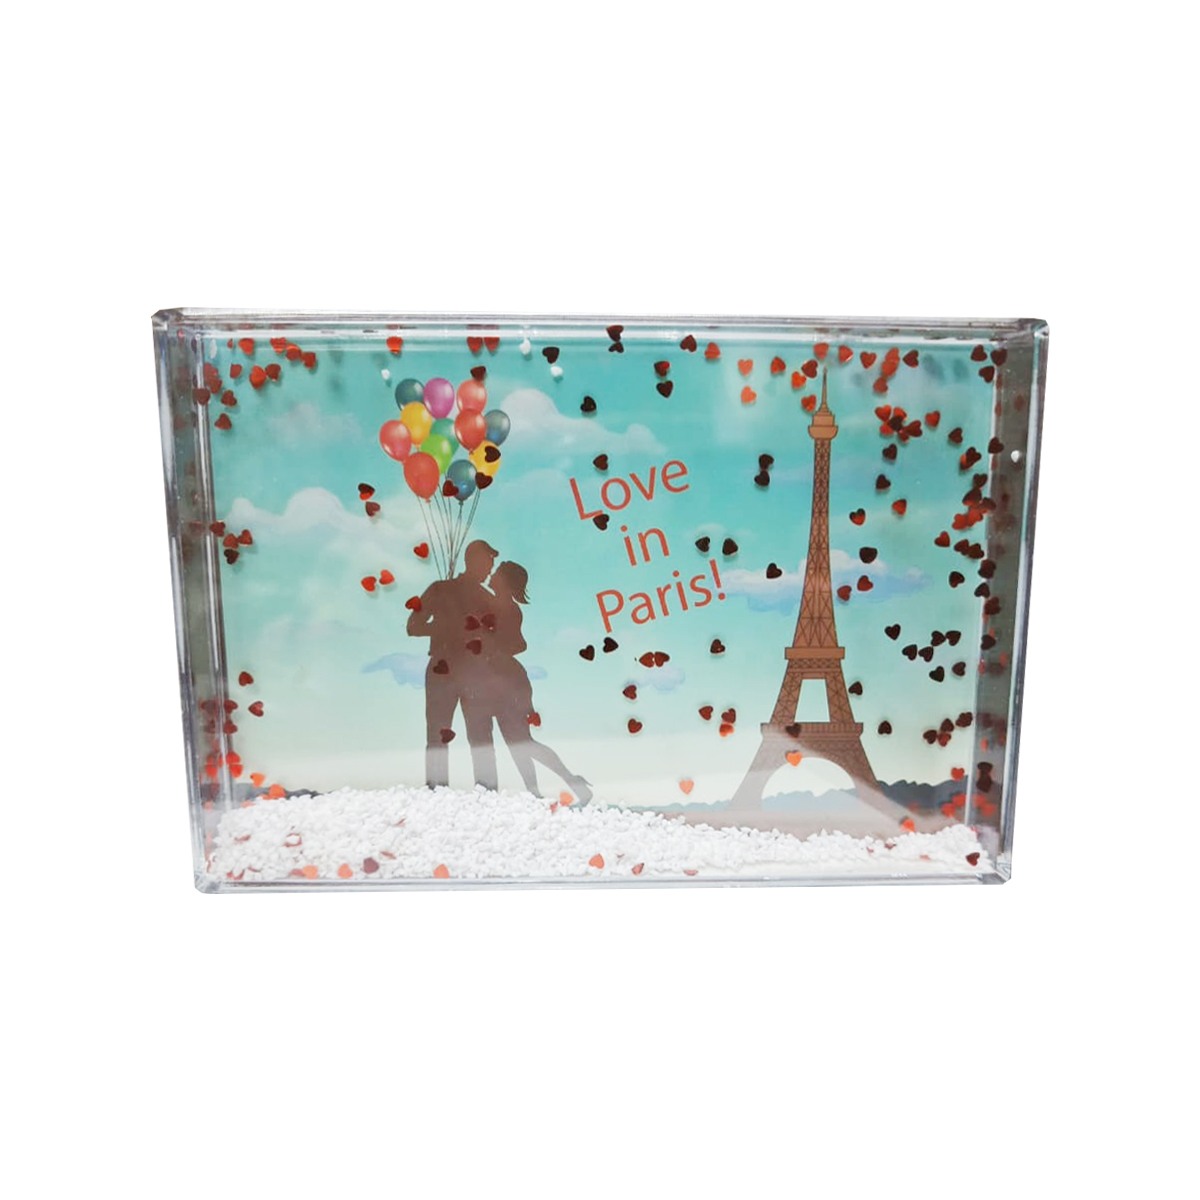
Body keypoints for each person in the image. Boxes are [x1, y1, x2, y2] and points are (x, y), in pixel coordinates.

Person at [465, 560, 592, 804]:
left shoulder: (503, 608)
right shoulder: (500, 606)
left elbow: (516, 644)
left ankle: (540, 790)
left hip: (503, 680)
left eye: (497, 573)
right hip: (502, 678)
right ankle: (550, 787)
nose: (492, 575)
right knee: (520, 742)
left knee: (519, 743)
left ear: (506, 581)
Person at [406, 539, 499, 790]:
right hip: (450, 670)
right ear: (475, 561)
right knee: (464, 736)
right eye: (488, 562)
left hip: (466, 671)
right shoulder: (443, 590)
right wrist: (446, 627)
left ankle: (475, 794)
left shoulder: (477, 596)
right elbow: (412, 626)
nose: (490, 569)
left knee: (476, 736)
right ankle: (472, 793)